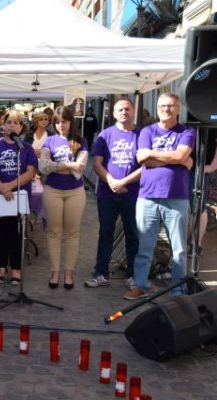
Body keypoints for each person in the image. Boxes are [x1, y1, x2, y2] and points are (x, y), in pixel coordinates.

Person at [123, 93, 195, 300]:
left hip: (176, 197)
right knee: (145, 246)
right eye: (162, 105)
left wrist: (161, 157)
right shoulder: (147, 131)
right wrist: (176, 159)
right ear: (157, 108)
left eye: (171, 105)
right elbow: (143, 158)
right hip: (148, 197)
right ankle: (140, 286)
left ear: (178, 109)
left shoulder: (187, 131)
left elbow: (181, 155)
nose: (166, 109)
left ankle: (178, 290)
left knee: (179, 249)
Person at [85, 99, 141, 289]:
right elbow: (97, 163)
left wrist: (123, 183)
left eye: (127, 109)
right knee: (105, 233)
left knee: (132, 234)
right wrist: (111, 181)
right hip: (107, 194)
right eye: (120, 109)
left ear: (133, 111)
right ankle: (101, 273)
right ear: (114, 113)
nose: (124, 112)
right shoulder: (106, 134)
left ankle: (134, 275)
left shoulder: (141, 134)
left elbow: (146, 165)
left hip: (132, 192)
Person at [0, 110, 37, 284]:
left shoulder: (25, 148)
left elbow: (31, 172)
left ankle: (16, 270)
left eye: (16, 123)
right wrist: (1, 187)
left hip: (18, 197)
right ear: (2, 126)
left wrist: (10, 187)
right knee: (1, 233)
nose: (12, 125)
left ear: (21, 127)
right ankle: (1, 268)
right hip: (0, 196)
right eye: (9, 122)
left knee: (16, 233)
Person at [39, 106, 88, 289]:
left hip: (75, 191)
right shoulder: (49, 141)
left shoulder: (80, 141)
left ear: (70, 122)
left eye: (64, 121)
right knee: (54, 233)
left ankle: (68, 273)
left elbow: (80, 169)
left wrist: (56, 165)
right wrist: (69, 164)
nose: (61, 125)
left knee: (72, 233)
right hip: (53, 190)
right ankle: (55, 272)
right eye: (57, 122)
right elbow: (43, 167)